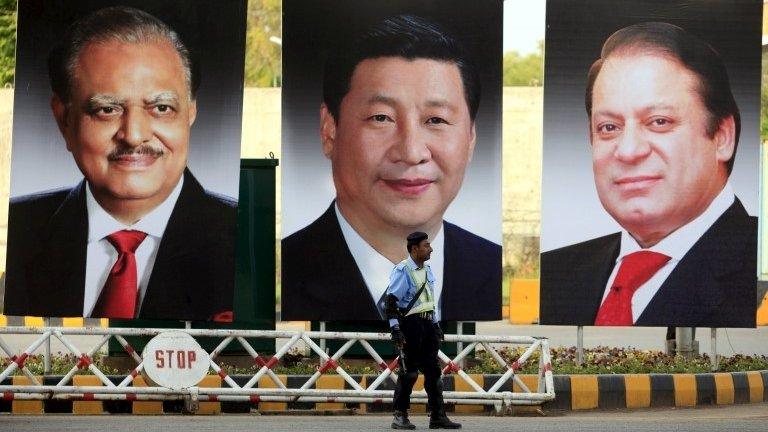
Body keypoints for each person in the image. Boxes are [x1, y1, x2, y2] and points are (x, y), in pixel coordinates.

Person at [3, 6, 236, 321]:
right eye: (107, 109)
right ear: (64, 120)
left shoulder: (243, 238)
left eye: (162, 107)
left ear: (190, 113)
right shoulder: (21, 229)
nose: (134, 135)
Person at [282, 15, 501, 322]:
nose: (411, 153)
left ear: (471, 138)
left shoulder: (490, 266)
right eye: (381, 118)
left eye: (435, 120)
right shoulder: (289, 267)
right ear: (329, 129)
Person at [541, 22, 757, 327]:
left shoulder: (756, 271)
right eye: (609, 127)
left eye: (659, 122)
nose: (628, 151)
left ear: (722, 137)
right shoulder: (554, 274)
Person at [384, 232, 461, 430]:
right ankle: (400, 416)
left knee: (434, 373)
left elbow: (428, 302)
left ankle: (437, 416)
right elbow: (391, 303)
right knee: (408, 373)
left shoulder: (427, 269)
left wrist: (435, 325)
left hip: (427, 327)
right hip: (411, 326)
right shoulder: (403, 270)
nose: (431, 249)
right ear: (415, 248)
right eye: (426, 246)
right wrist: (395, 329)